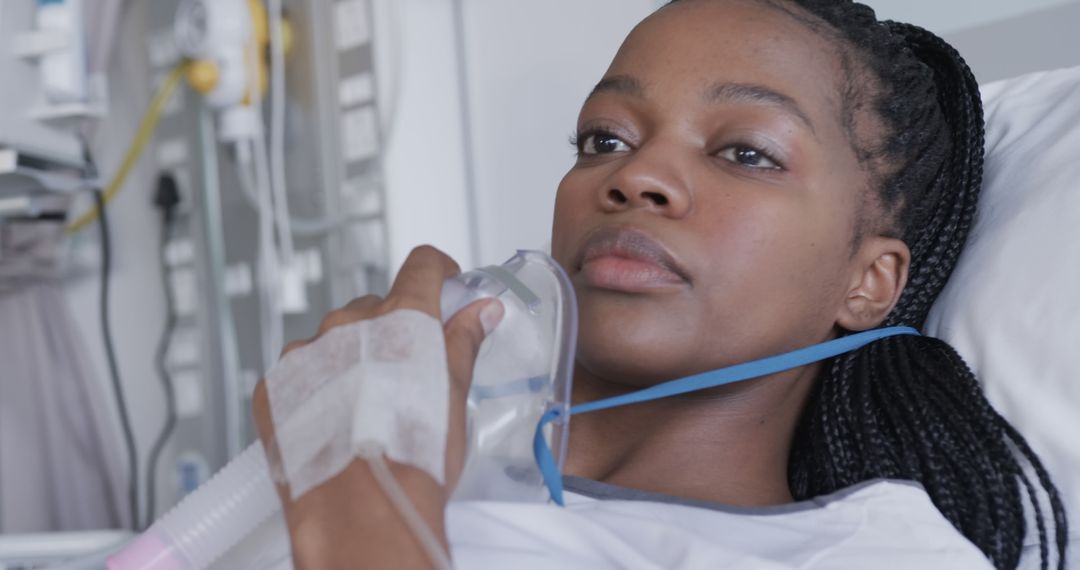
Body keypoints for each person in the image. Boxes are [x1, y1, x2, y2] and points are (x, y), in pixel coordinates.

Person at [252, 0, 1068, 568]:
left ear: (868, 282)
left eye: (745, 152)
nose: (638, 175)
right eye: (603, 138)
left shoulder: (873, 556)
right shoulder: (430, 459)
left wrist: (360, 502)